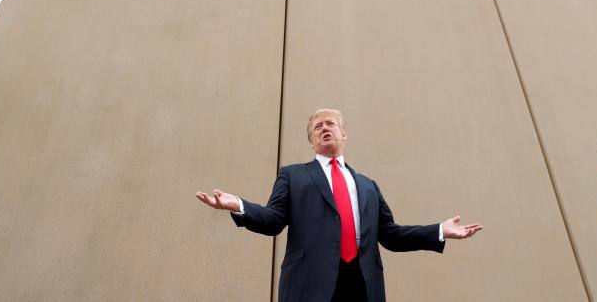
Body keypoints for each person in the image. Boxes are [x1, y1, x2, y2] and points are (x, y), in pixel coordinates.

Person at [196, 108, 482, 302]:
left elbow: (391, 236)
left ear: (344, 135)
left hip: (362, 284)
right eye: (317, 127)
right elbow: (273, 220)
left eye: (330, 124)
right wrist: (238, 205)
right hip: (310, 283)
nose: (324, 129)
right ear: (311, 141)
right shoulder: (293, 175)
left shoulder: (368, 185)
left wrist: (439, 230)